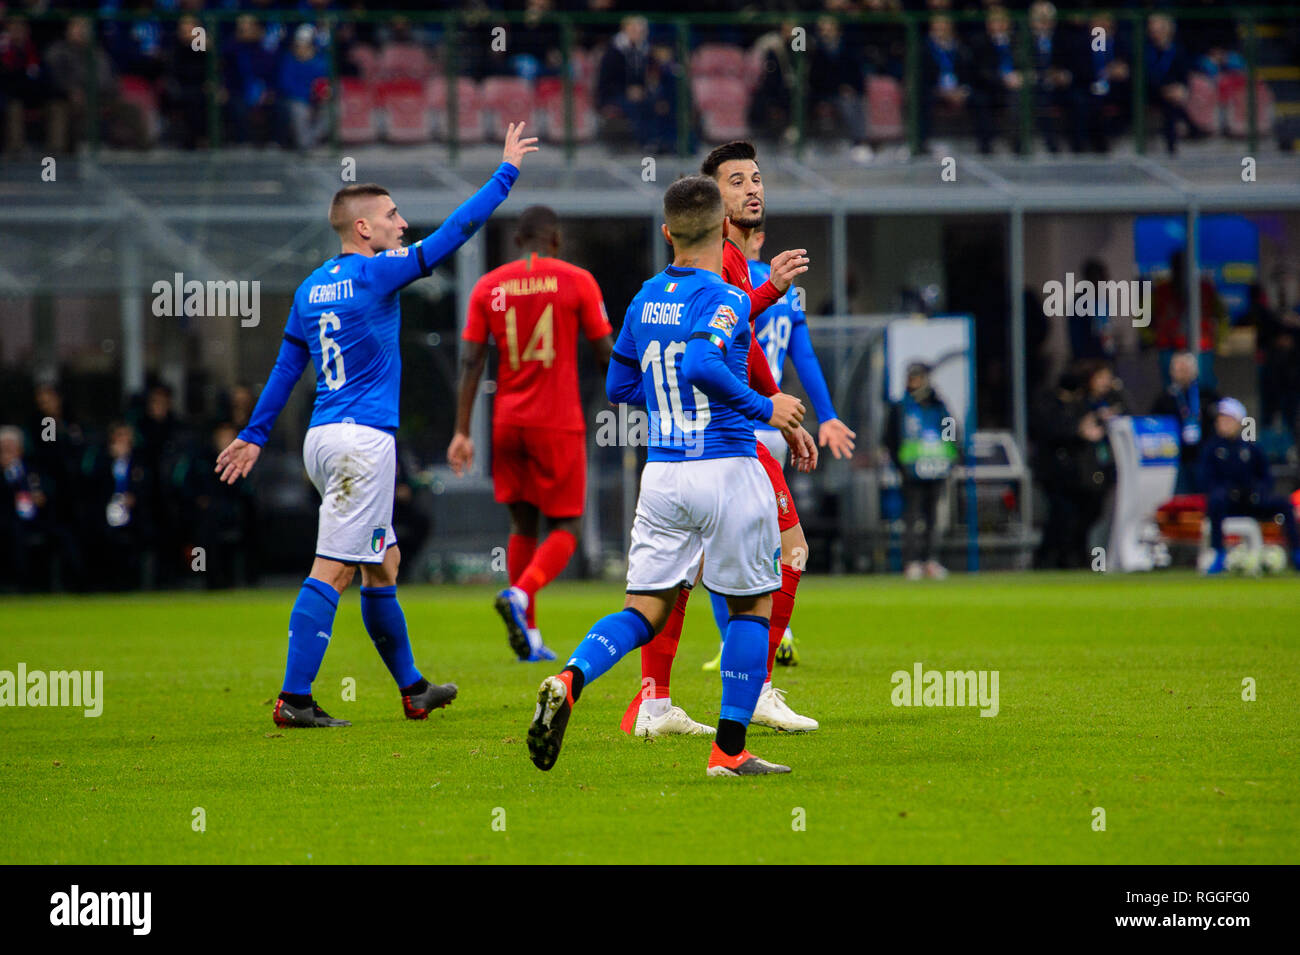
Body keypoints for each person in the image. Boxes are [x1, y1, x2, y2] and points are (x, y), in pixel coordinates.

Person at [215, 123, 538, 728]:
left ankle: (413, 689)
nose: (402, 224)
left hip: (323, 438)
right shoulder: (377, 272)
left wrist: (256, 434)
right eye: (391, 216)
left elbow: (288, 368)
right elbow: (455, 234)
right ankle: (295, 700)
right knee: (333, 569)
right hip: (362, 442)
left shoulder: (311, 288)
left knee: (381, 562)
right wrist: (505, 175)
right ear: (363, 228)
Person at [526, 175, 806, 777]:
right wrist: (767, 408)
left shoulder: (644, 296)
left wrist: (667, 399)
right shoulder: (726, 296)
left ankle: (570, 679)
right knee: (753, 606)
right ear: (725, 229)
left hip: (663, 474)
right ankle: (729, 753)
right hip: (727, 467)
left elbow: (619, 385)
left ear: (666, 232)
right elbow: (705, 361)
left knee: (643, 608)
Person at [618, 140, 821, 738]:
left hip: (707, 439)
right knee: (788, 553)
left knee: (683, 571)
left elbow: (740, 344)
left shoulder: (727, 261)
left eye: (757, 178)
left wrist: (782, 415)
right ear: (713, 199)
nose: (753, 188)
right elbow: (714, 351)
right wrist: (769, 407)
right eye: (737, 181)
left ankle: (655, 702)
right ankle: (748, 694)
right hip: (718, 440)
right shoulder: (722, 263)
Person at [448, 205, 614, 662]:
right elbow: (605, 354)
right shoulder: (577, 280)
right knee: (568, 524)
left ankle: (531, 637)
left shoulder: (488, 286)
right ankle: (521, 596)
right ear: (555, 239)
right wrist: (634, 396)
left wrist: (462, 431)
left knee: (523, 523)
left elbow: (471, 362)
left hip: (506, 422)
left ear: (518, 241)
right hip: (556, 421)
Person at [700, 227, 855, 668]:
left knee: (720, 539)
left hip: (741, 414)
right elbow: (802, 355)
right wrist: (826, 416)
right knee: (773, 533)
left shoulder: (728, 281)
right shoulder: (784, 288)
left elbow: (729, 352)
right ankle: (778, 632)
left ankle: (739, 643)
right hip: (777, 418)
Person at [1200, 397, 1300, 575]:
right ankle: (1219, 554)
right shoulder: (1211, 448)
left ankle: (1296, 552)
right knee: (1216, 501)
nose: (1222, 423)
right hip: (1227, 503)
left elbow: (1266, 477)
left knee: (1284, 504)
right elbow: (1207, 480)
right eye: (1220, 419)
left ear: (1238, 422)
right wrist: (1228, 492)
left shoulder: (1252, 447)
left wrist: (1257, 492)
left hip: (1252, 502)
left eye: (1227, 419)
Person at [884, 362, 959, 580]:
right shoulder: (901, 407)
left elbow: (951, 432)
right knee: (911, 516)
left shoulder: (939, 405)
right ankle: (911, 561)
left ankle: (930, 560)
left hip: (936, 470)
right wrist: (901, 466)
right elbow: (890, 438)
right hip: (912, 472)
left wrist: (951, 459)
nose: (913, 382)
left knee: (933, 518)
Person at [1150, 350, 1219, 494]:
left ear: (1194, 371)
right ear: (1171, 372)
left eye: (1186, 369)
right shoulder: (1164, 399)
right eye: (1179, 369)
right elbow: (1154, 424)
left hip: (1203, 456)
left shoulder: (1207, 395)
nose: (1182, 373)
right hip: (1177, 458)